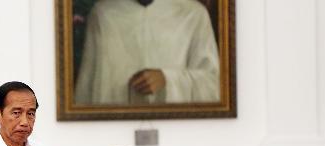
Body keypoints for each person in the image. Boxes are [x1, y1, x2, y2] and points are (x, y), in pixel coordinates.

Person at [75, 0, 220, 105]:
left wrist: (167, 79)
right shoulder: (103, 13)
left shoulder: (193, 13)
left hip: (176, 128)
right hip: (113, 128)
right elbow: (86, 86)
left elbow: (213, 83)